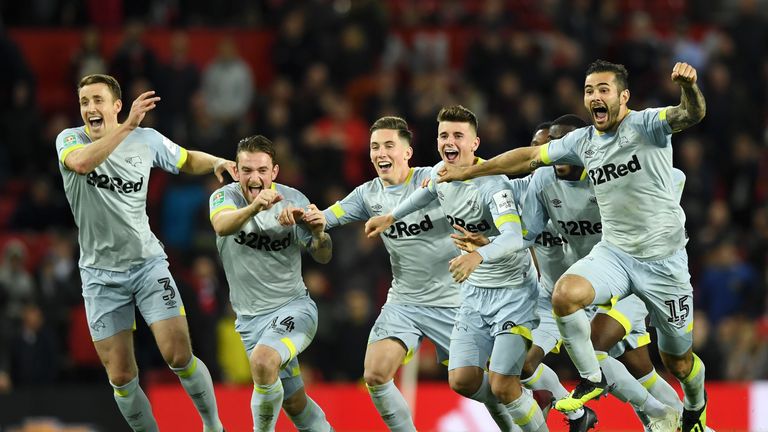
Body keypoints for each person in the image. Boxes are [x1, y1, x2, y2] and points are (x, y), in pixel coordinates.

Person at [439, 60, 708, 432]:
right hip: (614, 256)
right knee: (565, 296)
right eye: (589, 91)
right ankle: (593, 379)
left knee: (677, 361)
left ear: (623, 96)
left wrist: (689, 87)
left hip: (664, 264)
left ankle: (694, 406)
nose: (595, 97)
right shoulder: (580, 145)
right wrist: (470, 171)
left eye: (603, 90)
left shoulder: (646, 125)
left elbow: (689, 114)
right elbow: (528, 157)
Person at [281, 116, 518, 431]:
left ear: (407, 152)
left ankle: (516, 420)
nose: (381, 153)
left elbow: (482, 188)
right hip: (405, 302)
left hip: (457, 302)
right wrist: (305, 215)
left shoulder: (436, 179)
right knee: (375, 374)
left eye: (389, 145)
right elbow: (327, 218)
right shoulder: (368, 195)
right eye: (375, 147)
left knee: (473, 384)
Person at [56, 74, 234, 432]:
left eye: (97, 100)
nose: (90, 108)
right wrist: (126, 128)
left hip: (146, 265)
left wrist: (215, 162)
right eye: (84, 102)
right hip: (99, 276)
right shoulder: (70, 140)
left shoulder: (145, 140)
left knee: (179, 354)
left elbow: (185, 160)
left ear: (116, 106)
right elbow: (81, 164)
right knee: (121, 376)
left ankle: (213, 425)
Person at [365, 106, 548, 432]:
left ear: (475, 143)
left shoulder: (494, 185)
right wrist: (391, 216)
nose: (449, 142)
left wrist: (477, 256)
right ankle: (530, 404)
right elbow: (425, 195)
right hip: (475, 293)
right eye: (444, 135)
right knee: (462, 381)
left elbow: (513, 237)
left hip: (513, 291)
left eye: (458, 136)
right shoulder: (439, 173)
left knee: (502, 384)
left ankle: (541, 411)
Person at [208, 135, 332, 431]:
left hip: (294, 308)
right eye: (247, 170)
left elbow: (324, 255)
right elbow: (222, 225)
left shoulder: (293, 200)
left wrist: (317, 233)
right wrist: (255, 208)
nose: (255, 178)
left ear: (274, 172)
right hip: (250, 321)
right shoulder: (224, 198)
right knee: (293, 402)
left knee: (263, 363)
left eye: (262, 170)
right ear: (236, 172)